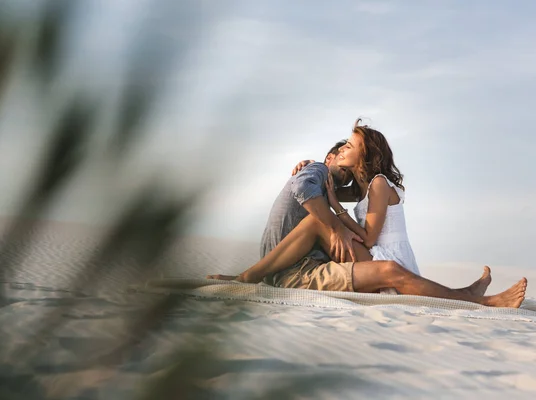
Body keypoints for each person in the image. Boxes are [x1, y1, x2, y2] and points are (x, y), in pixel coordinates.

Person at [207, 121, 527, 308]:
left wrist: (335, 216)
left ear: (366, 153)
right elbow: (312, 186)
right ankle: (469, 296)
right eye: (341, 146)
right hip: (356, 255)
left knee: (327, 228)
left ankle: (471, 297)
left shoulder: (374, 184)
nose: (344, 148)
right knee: (321, 225)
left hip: (377, 249)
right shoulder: (341, 181)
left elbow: (363, 231)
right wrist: (314, 174)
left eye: (351, 144)